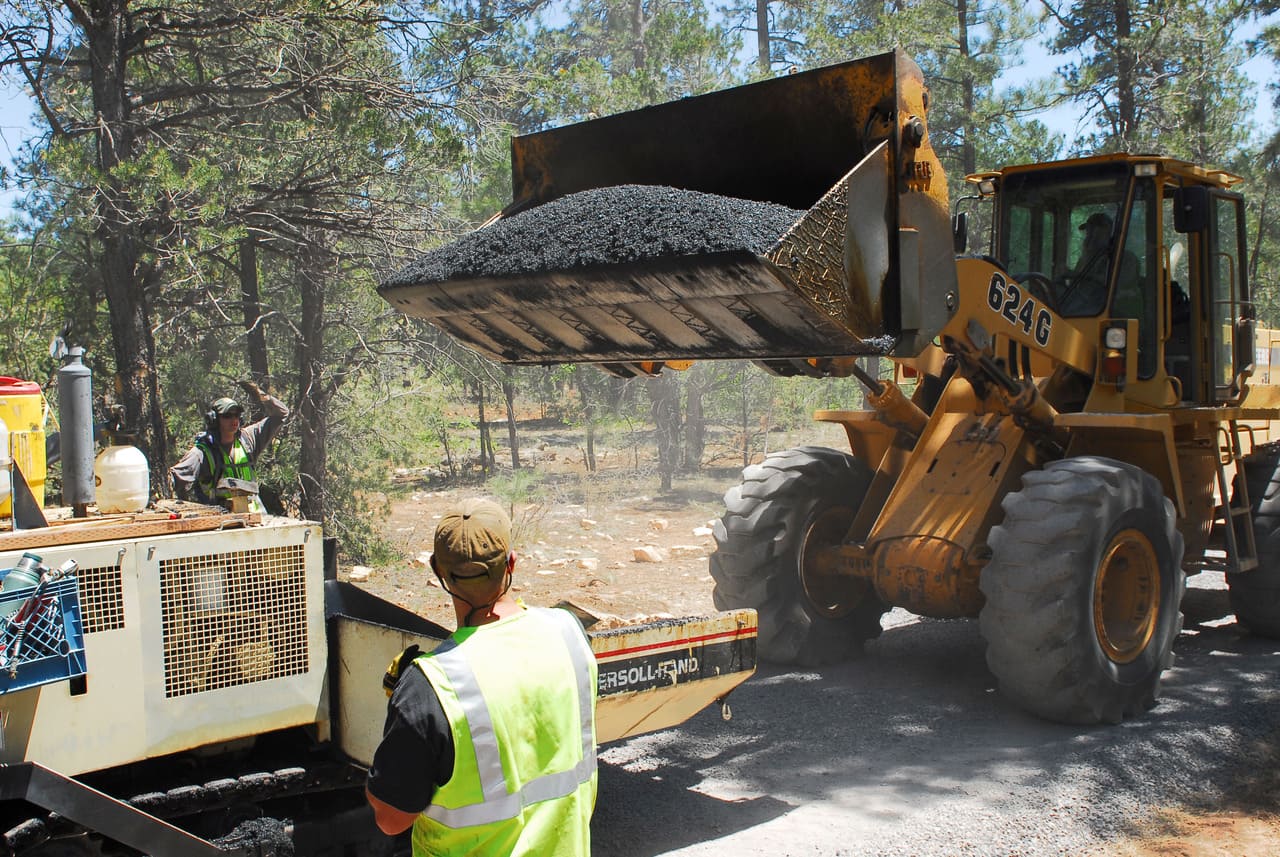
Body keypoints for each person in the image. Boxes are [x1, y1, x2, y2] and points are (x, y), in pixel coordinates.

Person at [366, 498, 598, 856]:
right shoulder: (568, 633)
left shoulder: (431, 686)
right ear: (512, 564)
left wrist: (404, 713)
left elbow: (391, 818)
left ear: (437, 571)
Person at [169, 380, 288, 513]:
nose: (234, 420)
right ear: (214, 420)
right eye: (227, 416)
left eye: (236, 415)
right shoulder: (203, 452)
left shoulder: (248, 439)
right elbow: (175, 477)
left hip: (256, 518)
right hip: (223, 523)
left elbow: (281, 414)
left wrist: (261, 395)